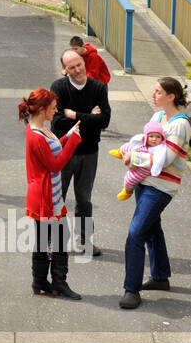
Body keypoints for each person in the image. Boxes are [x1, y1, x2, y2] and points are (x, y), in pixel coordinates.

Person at [119, 77, 191, 309]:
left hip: (161, 187)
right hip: (144, 181)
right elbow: (146, 144)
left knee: (136, 234)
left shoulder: (180, 124)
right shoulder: (158, 117)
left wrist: (133, 158)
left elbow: (167, 159)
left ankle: (131, 289)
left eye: (159, 92)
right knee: (151, 228)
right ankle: (160, 276)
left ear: (171, 96)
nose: (154, 95)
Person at [21, 88, 82, 299]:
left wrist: (67, 136)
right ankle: (55, 283)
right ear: (42, 108)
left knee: (49, 239)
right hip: (46, 197)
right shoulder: (37, 136)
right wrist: (73, 141)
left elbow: (53, 149)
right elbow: (55, 165)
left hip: (49, 195)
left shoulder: (38, 129)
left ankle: (42, 283)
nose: (56, 111)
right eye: (53, 108)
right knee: (55, 240)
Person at [50, 49, 110, 255]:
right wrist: (89, 118)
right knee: (57, 197)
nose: (77, 70)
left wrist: (74, 115)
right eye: (72, 67)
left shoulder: (99, 88)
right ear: (64, 70)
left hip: (89, 152)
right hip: (64, 152)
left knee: (84, 199)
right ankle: (54, 242)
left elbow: (105, 121)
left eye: (79, 65)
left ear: (84, 63)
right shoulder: (58, 88)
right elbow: (57, 122)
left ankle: (84, 241)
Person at [109, 121, 178, 200]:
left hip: (144, 169)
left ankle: (127, 191)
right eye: (151, 136)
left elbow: (159, 160)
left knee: (130, 179)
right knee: (128, 146)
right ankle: (119, 152)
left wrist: (155, 170)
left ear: (162, 138)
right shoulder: (142, 142)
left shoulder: (159, 149)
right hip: (137, 156)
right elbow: (133, 143)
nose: (154, 139)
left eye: (158, 137)